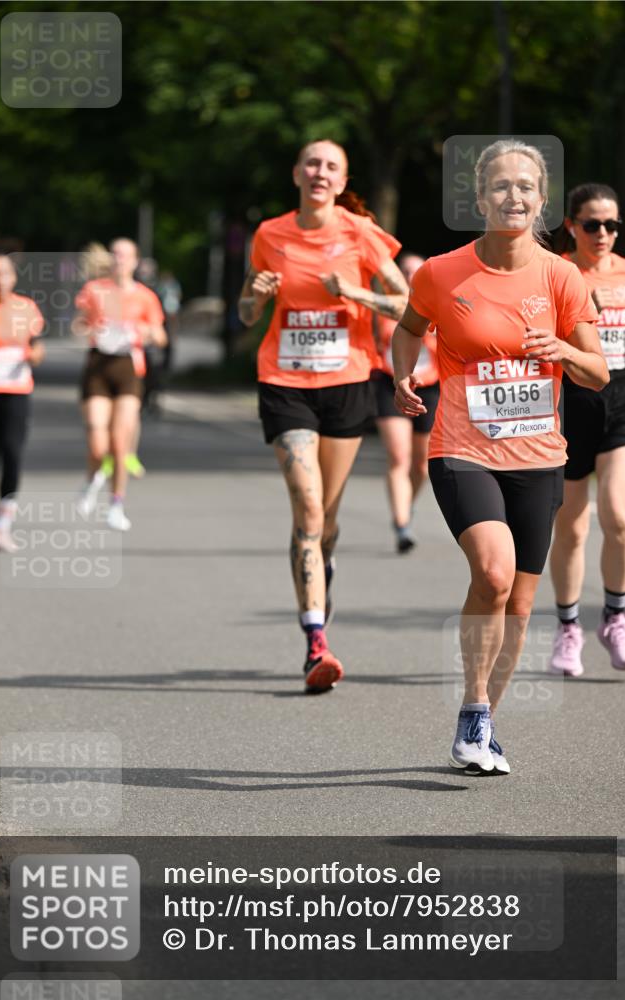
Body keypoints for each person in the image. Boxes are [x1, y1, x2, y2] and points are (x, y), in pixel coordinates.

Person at [392, 140, 608, 774]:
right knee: (493, 573)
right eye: (500, 187)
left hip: (540, 456)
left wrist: (562, 351)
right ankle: (475, 713)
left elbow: (598, 371)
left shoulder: (562, 276)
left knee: (519, 603)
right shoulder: (439, 272)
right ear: (480, 198)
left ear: (541, 201)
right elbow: (409, 329)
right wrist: (403, 376)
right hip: (462, 448)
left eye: (525, 187)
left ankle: (479, 718)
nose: (513, 197)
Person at [238, 139, 407, 693]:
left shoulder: (360, 234)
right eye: (312, 163)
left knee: (327, 521)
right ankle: (316, 643)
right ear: (296, 174)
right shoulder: (269, 234)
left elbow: (405, 303)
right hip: (285, 383)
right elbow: (245, 312)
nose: (320, 172)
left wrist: (355, 291)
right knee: (307, 507)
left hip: (347, 383)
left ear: (342, 179)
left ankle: (319, 584)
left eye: (331, 166)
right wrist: (255, 297)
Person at [548, 184, 625, 675]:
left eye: (612, 225)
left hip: (624, 398)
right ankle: (568, 628)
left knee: (621, 518)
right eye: (592, 224)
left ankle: (616, 619)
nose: (602, 234)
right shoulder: (558, 273)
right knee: (573, 526)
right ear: (572, 226)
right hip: (570, 401)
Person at [72, 238, 166, 531]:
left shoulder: (145, 297)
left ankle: (116, 504)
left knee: (120, 442)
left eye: (125, 255)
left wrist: (145, 331)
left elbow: (161, 337)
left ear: (135, 261)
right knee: (98, 445)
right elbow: (77, 325)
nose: (119, 259)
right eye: (115, 254)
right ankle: (91, 482)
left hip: (128, 367)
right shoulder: (95, 290)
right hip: (98, 366)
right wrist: (90, 326)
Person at [0, 247, 45, 551]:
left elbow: (37, 348)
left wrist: (33, 355)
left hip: (16, 391)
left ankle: (3, 526)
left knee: (13, 454)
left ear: (13, 277)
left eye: (5, 273)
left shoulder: (26, 308)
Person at [373, 253, 439, 552]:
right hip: (390, 384)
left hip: (429, 385)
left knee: (422, 466)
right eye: (405, 270)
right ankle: (401, 525)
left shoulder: (438, 303)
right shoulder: (384, 307)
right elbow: (374, 341)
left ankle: (406, 508)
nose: (411, 275)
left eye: (416, 270)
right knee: (398, 457)